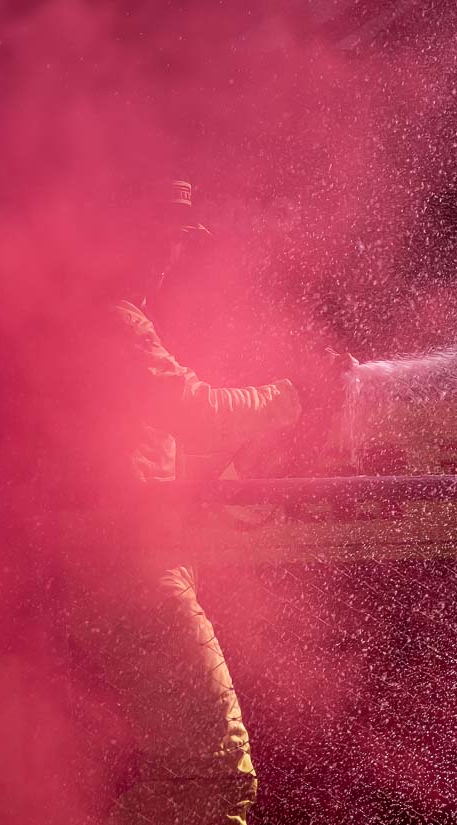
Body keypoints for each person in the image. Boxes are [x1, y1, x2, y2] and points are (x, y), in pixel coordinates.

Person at [61, 176, 302, 825]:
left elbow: (140, 451)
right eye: (167, 237)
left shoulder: (103, 318)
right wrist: (292, 395)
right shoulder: (116, 321)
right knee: (217, 772)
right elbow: (194, 410)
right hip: (134, 578)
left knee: (185, 772)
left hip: (125, 571)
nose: (174, 254)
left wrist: (222, 471)